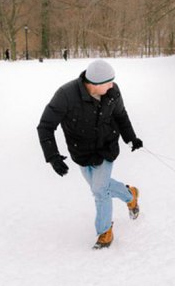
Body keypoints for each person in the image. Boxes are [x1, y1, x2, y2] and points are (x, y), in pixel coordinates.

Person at [37, 59, 144, 249]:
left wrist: (131, 138)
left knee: (100, 191)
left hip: (106, 147)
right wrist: (52, 156)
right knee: (99, 187)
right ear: (94, 84)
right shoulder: (66, 95)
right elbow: (45, 126)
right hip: (82, 151)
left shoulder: (112, 92)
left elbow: (120, 115)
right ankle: (130, 194)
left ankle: (104, 232)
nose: (112, 85)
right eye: (108, 82)